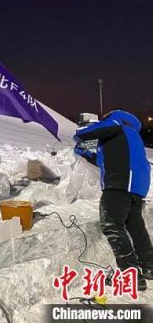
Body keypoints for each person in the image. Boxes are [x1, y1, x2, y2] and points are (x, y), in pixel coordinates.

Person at [74, 109, 153, 291]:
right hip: (136, 187)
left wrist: (81, 133)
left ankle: (131, 276)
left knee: (111, 225)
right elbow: (107, 160)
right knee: (136, 227)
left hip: (120, 184)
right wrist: (86, 154)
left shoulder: (117, 123)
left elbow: (85, 133)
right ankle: (149, 267)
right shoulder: (130, 134)